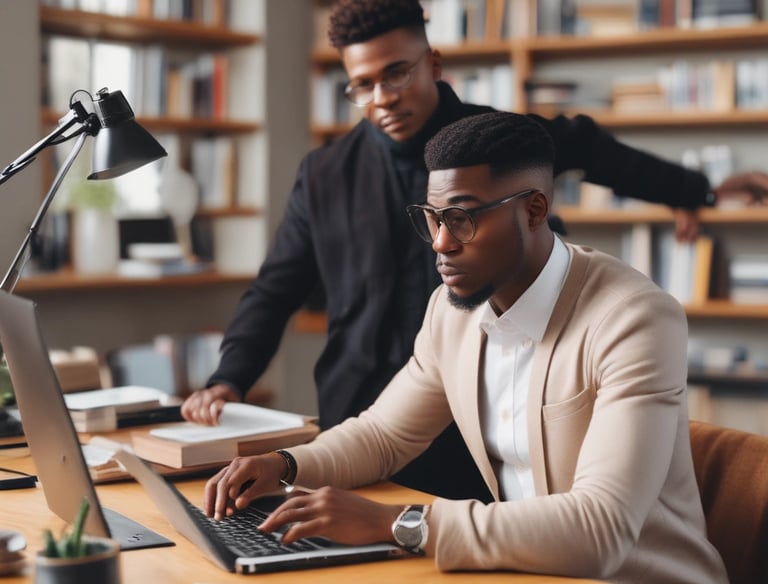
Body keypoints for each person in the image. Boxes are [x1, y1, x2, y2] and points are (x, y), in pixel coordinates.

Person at [182, 0, 768, 502]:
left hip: (483, 434)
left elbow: (591, 147)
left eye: (397, 73)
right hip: (364, 427)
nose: (382, 98)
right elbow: (276, 288)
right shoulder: (324, 173)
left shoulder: (500, 147)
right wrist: (230, 377)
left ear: (433, 65)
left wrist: (699, 191)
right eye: (363, 85)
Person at [203, 111, 728, 583]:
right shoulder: (452, 312)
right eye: (432, 218)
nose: (440, 242)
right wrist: (284, 464)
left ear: (535, 210)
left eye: (462, 218)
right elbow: (384, 435)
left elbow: (601, 531)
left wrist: (397, 522)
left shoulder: (634, 319)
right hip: (529, 572)